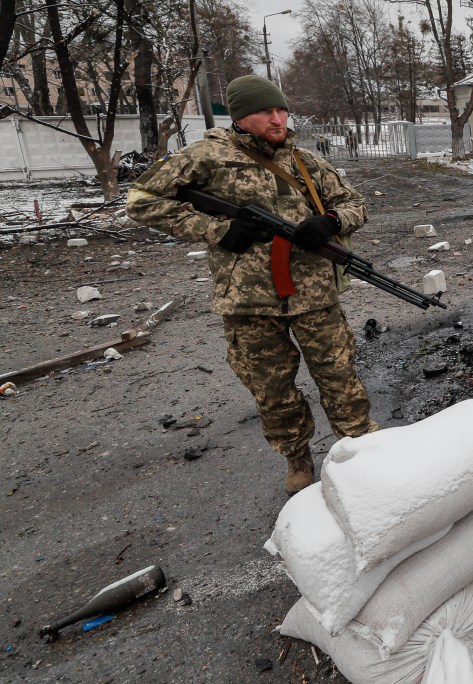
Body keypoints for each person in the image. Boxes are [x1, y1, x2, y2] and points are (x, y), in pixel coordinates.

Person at [126, 75, 379, 496]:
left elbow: (355, 204)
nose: (278, 119)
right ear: (241, 116)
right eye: (267, 111)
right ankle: (296, 456)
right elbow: (141, 201)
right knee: (271, 386)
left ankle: (360, 446)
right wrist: (216, 230)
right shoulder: (205, 157)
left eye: (282, 110)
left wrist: (331, 222)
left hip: (314, 294)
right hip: (248, 301)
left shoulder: (306, 161)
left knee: (340, 375)